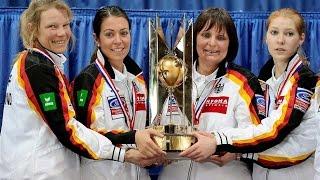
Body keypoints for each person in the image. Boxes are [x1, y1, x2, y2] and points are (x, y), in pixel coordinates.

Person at [0, 1, 164, 179]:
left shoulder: (45, 64)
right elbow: (69, 129)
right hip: (38, 173)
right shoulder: (37, 67)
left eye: (65, 25)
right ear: (33, 28)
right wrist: (127, 150)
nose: (62, 33)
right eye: (52, 26)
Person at [181, 8, 319, 180]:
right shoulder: (264, 82)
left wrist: (222, 143)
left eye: (289, 33)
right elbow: (255, 133)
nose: (281, 40)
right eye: (274, 32)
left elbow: (285, 140)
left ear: (301, 38)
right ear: (265, 37)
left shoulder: (308, 82)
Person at [159, 8, 265, 180]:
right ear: (194, 38)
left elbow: (257, 135)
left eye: (221, 37)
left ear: (230, 43)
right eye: (206, 35)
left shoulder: (243, 82)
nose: (212, 43)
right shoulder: (171, 77)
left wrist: (230, 149)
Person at [72, 6, 163, 180]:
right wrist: (134, 141)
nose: (118, 41)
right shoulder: (88, 79)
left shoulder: (137, 79)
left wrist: (153, 148)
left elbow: (139, 129)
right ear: (96, 39)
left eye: (123, 33)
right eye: (109, 34)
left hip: (138, 173)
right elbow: (86, 135)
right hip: (102, 174)